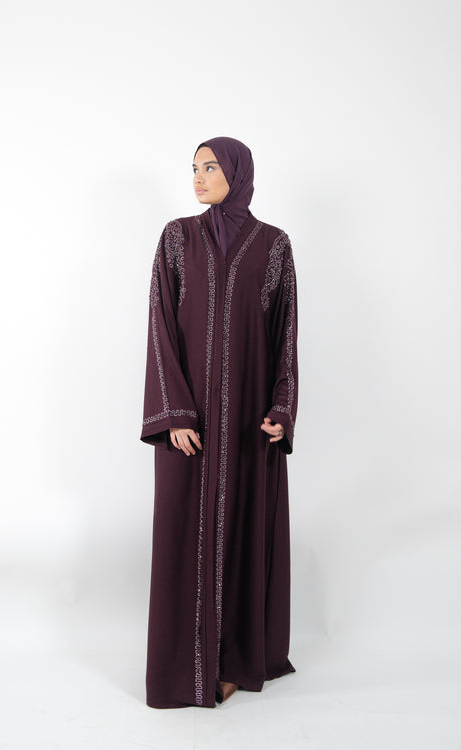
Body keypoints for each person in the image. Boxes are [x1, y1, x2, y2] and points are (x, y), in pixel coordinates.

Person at [140, 136, 298, 709]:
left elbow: (285, 333)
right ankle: (185, 670)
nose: (198, 177)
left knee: (242, 532)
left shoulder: (273, 245)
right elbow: (160, 324)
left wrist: (282, 409)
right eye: (194, 168)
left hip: (250, 427)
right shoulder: (177, 238)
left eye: (209, 167)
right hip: (191, 425)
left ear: (237, 172)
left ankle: (234, 660)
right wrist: (175, 412)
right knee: (185, 534)